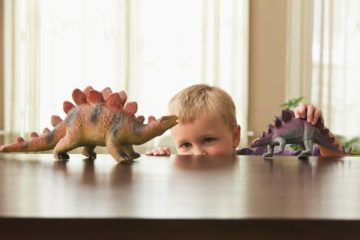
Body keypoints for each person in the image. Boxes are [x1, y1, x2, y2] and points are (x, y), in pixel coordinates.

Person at [145, 84, 343, 157]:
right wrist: (157, 160)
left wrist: (316, 130)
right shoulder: (180, 168)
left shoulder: (259, 157)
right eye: (185, 145)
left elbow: (333, 158)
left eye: (208, 140)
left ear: (235, 137)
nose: (198, 153)